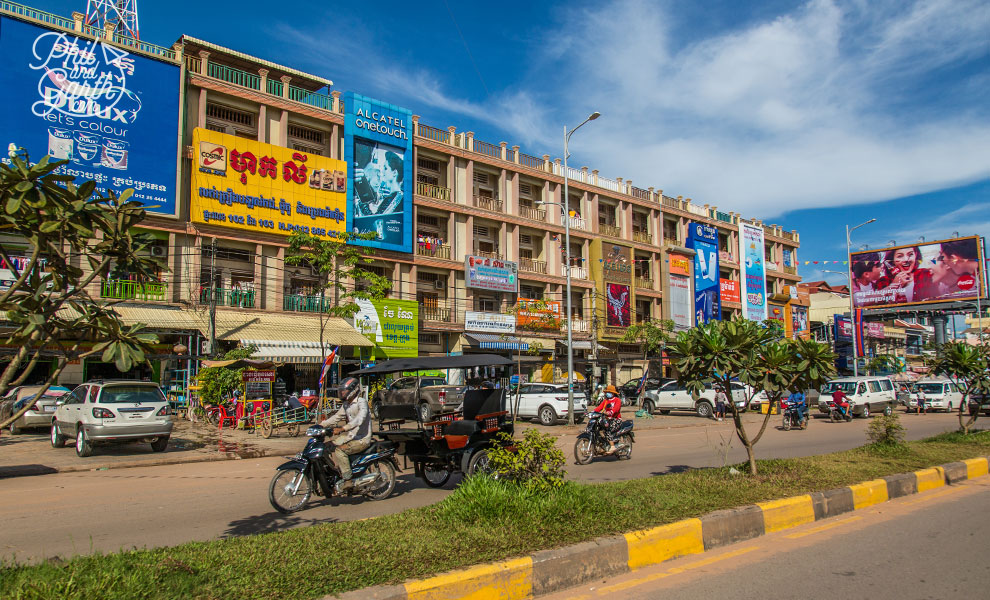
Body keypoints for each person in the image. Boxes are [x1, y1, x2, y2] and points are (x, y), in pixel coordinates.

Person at [319, 377, 371, 491]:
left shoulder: (362, 403)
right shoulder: (346, 404)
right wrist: (321, 425)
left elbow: (359, 420)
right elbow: (336, 417)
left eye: (344, 391)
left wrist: (343, 428)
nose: (342, 393)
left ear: (352, 390)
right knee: (325, 448)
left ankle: (348, 480)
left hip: (362, 439)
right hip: (350, 437)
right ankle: (336, 472)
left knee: (340, 450)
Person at [594, 385, 623, 453]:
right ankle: (601, 444)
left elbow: (616, 409)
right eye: (607, 392)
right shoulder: (606, 401)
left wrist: (610, 412)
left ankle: (612, 446)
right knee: (596, 427)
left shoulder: (617, 400)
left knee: (607, 429)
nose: (608, 393)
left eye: (609, 392)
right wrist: (592, 412)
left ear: (613, 393)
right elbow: (599, 408)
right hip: (607, 419)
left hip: (616, 419)